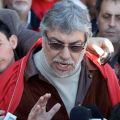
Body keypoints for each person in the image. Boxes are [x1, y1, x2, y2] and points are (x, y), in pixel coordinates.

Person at [1, 1, 118, 120]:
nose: (65, 55)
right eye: (56, 45)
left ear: (86, 43)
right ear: (43, 38)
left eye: (75, 47)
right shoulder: (13, 82)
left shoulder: (103, 75)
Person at [96, 0, 120, 81]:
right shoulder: (80, 49)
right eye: (106, 16)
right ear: (97, 17)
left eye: (119, 18)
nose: (112, 24)